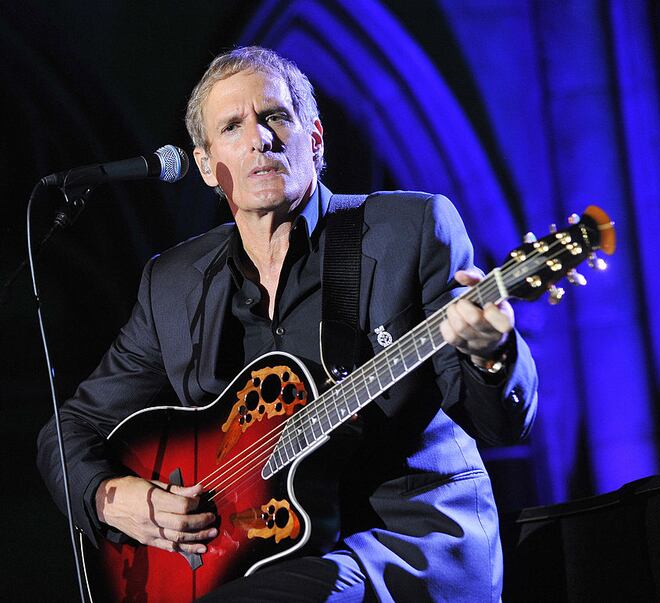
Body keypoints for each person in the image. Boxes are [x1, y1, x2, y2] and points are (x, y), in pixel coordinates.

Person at [37, 46, 537, 602]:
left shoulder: (409, 230)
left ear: (315, 139)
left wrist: (491, 353)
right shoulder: (173, 285)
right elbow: (69, 430)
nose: (260, 138)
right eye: (232, 126)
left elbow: (498, 425)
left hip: (401, 543)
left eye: (275, 117)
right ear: (207, 166)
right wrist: (110, 495)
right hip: (252, 561)